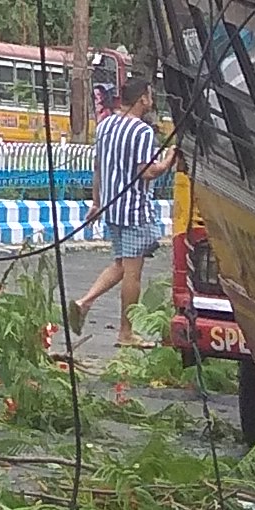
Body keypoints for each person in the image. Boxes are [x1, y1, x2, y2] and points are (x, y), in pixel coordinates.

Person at [61, 67, 172, 345]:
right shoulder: (142, 132)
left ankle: (85, 301)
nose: (152, 100)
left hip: (112, 206)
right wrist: (169, 159)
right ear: (142, 99)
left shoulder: (106, 125)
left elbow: (98, 167)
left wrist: (97, 202)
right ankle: (126, 333)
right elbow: (146, 172)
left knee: (122, 264)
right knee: (133, 274)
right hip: (135, 209)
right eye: (150, 96)